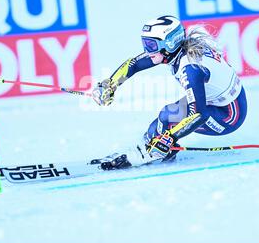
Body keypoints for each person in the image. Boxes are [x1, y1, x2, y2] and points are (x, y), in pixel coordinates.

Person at [92, 15, 247, 170]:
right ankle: (150, 147)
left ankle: (155, 153)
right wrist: (110, 84)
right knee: (159, 125)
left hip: (229, 115)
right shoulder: (172, 52)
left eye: (151, 45)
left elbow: (200, 115)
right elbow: (134, 64)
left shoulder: (190, 68)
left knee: (166, 117)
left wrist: (169, 138)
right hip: (215, 101)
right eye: (145, 43)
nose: (147, 50)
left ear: (170, 44)